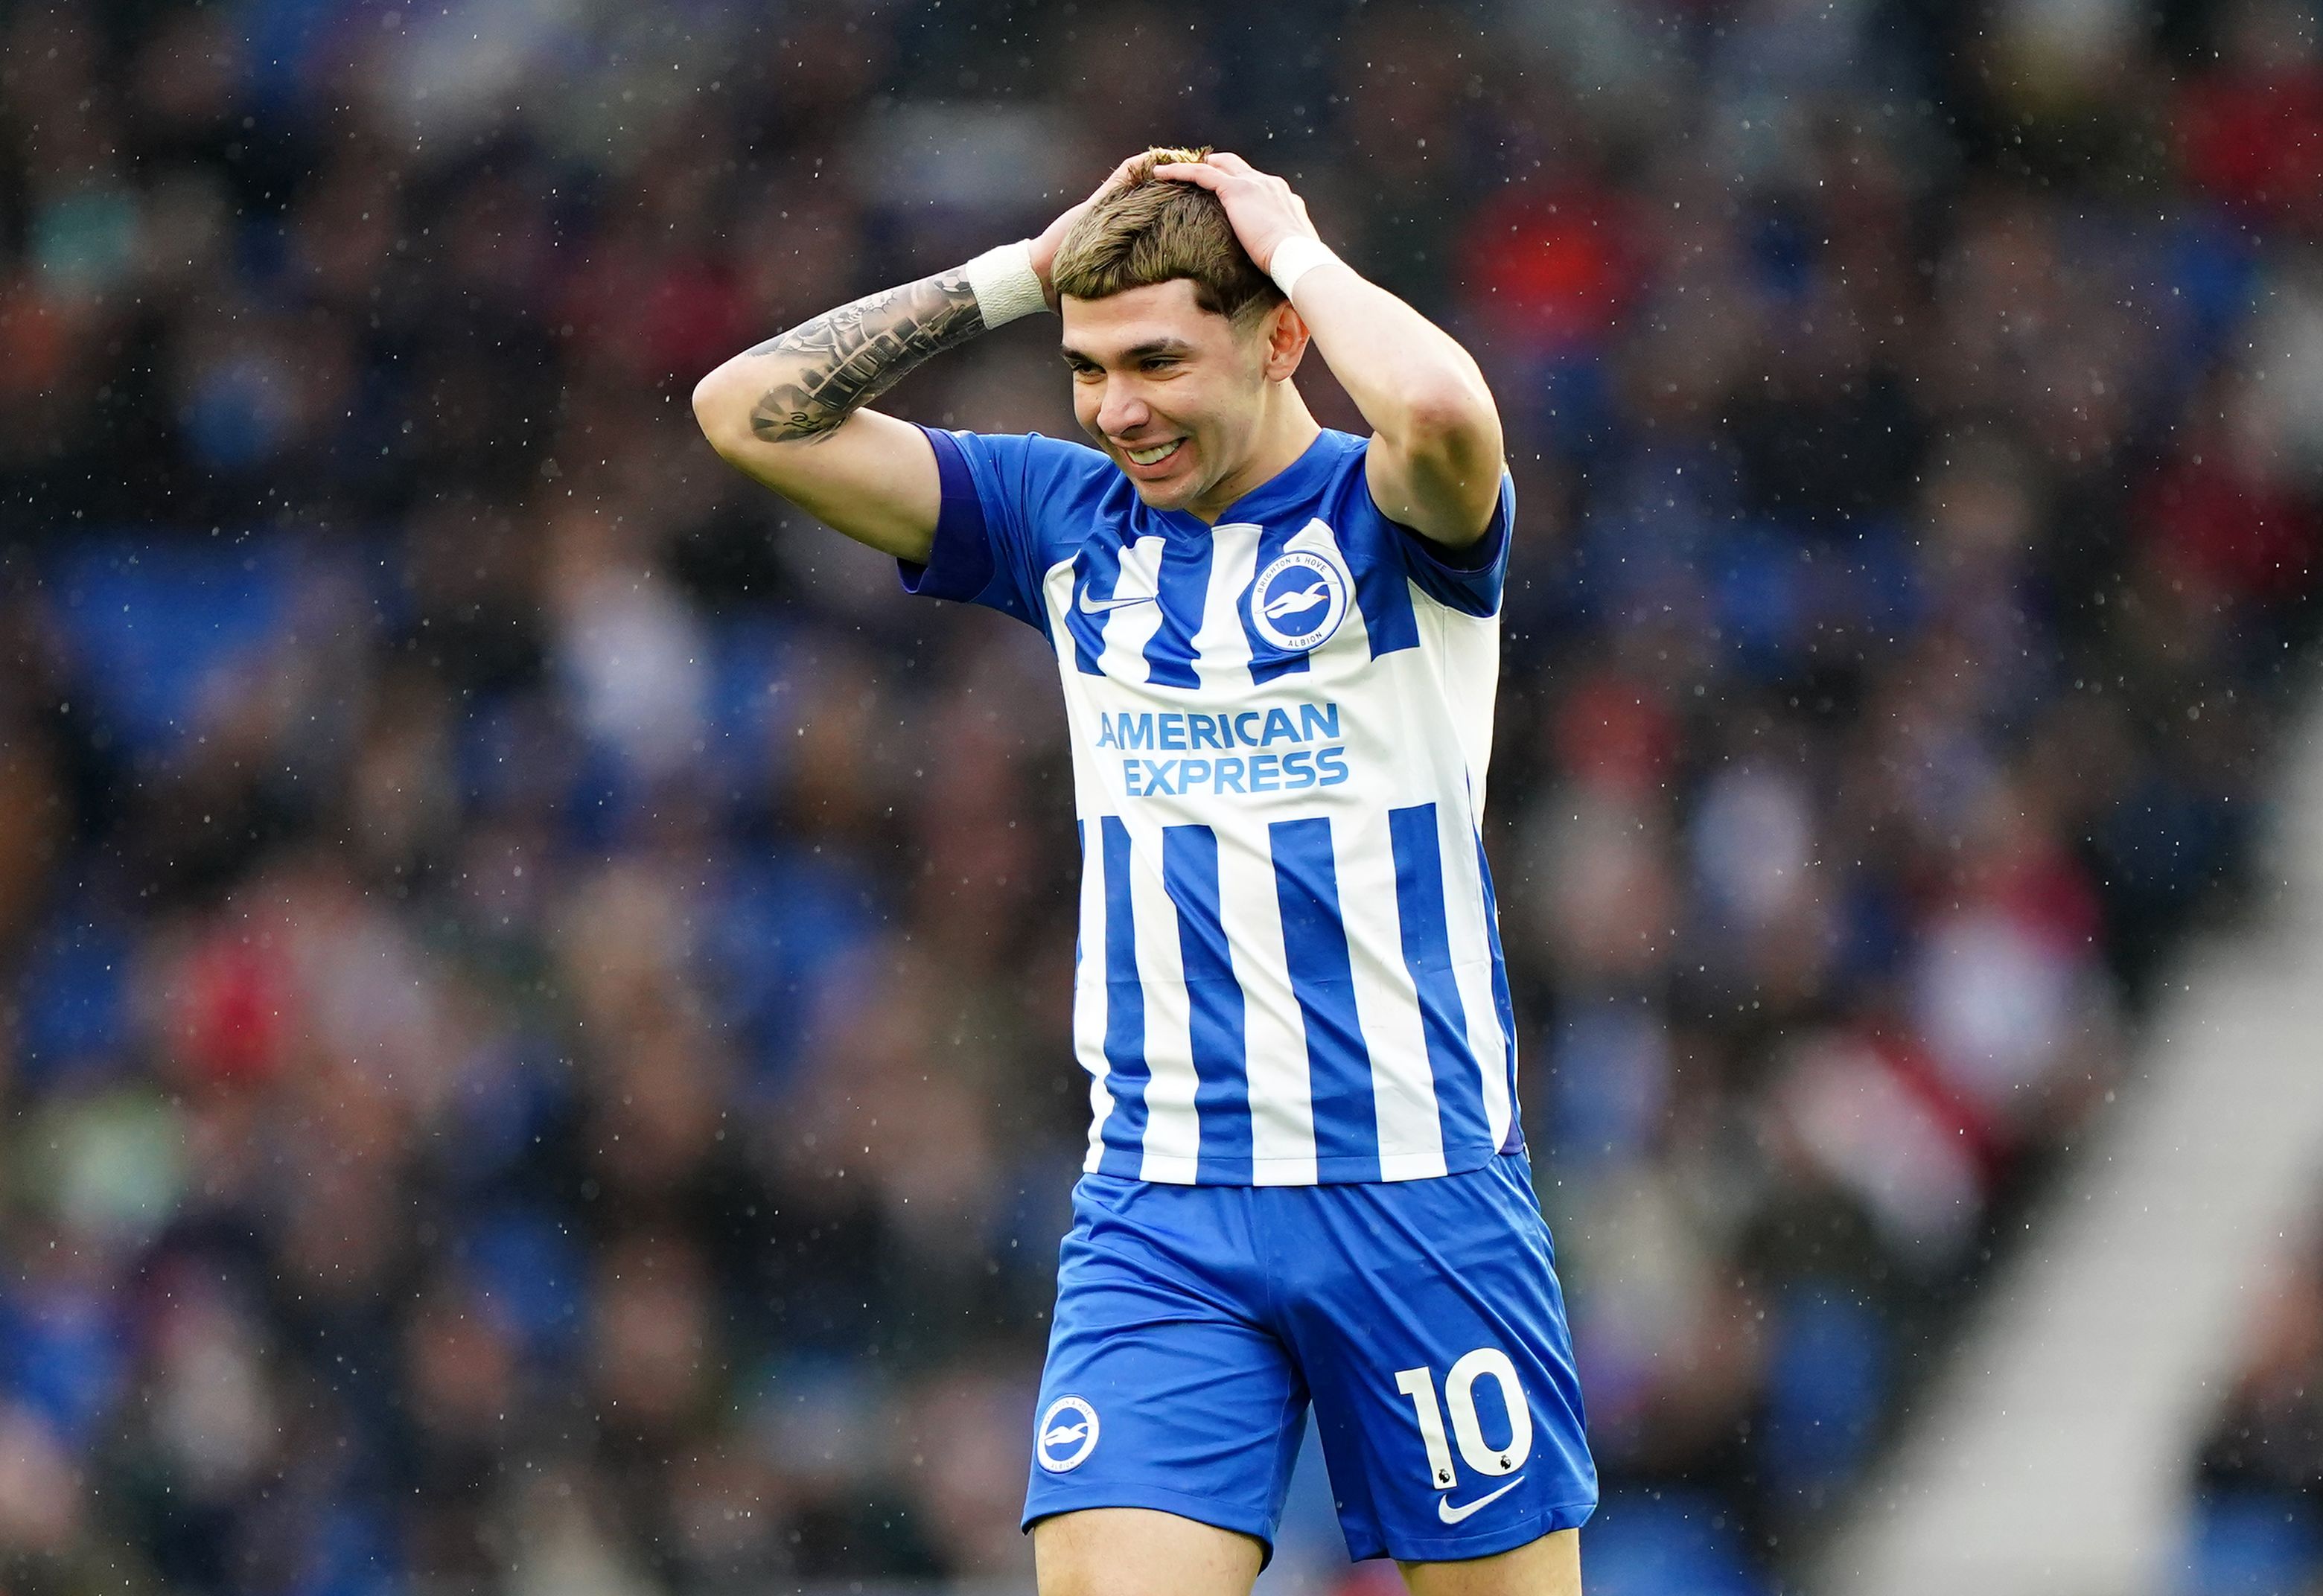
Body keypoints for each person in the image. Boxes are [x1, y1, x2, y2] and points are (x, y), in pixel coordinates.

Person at [692, 147, 1596, 1596]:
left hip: (1418, 1191)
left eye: (1159, 361)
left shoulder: (1393, 515)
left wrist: (1294, 247)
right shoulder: (1066, 521)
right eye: (1088, 368)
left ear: (1280, 339)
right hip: (1165, 1208)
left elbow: (1438, 407)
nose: (1118, 410)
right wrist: (1020, 273)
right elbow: (747, 410)